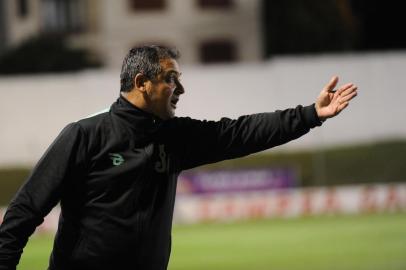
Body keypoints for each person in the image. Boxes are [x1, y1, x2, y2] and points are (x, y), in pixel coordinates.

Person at [0, 45, 357, 270]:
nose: (181, 89)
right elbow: (24, 211)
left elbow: (242, 133)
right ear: (142, 82)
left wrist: (311, 114)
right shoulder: (83, 135)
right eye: (172, 79)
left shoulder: (176, 137)